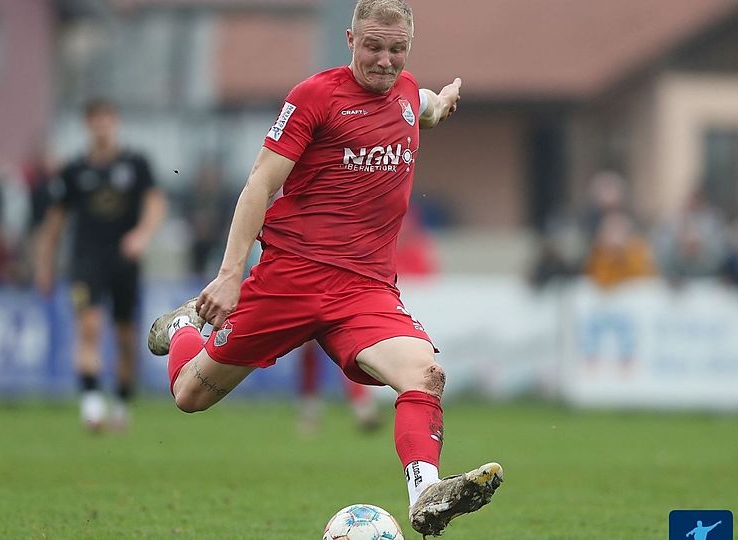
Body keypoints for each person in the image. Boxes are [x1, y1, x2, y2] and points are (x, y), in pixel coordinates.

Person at [147, 1, 501, 535]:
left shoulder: (406, 92)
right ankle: (182, 327)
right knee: (189, 397)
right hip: (290, 278)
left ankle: (426, 492)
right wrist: (230, 274)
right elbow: (260, 183)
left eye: (397, 49)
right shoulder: (315, 96)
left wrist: (443, 101)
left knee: (425, 374)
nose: (385, 61)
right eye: (373, 47)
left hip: (365, 288)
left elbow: (423, 106)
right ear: (351, 39)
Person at [36, 98, 166, 431]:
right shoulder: (73, 170)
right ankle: (92, 404)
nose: (101, 126)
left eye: (106, 119)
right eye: (95, 120)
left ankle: (121, 403)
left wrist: (142, 235)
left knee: (125, 337)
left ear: (115, 122)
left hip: (124, 261)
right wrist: (45, 265)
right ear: (87, 125)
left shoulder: (135, 164)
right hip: (86, 260)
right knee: (89, 327)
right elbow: (54, 222)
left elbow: (155, 204)